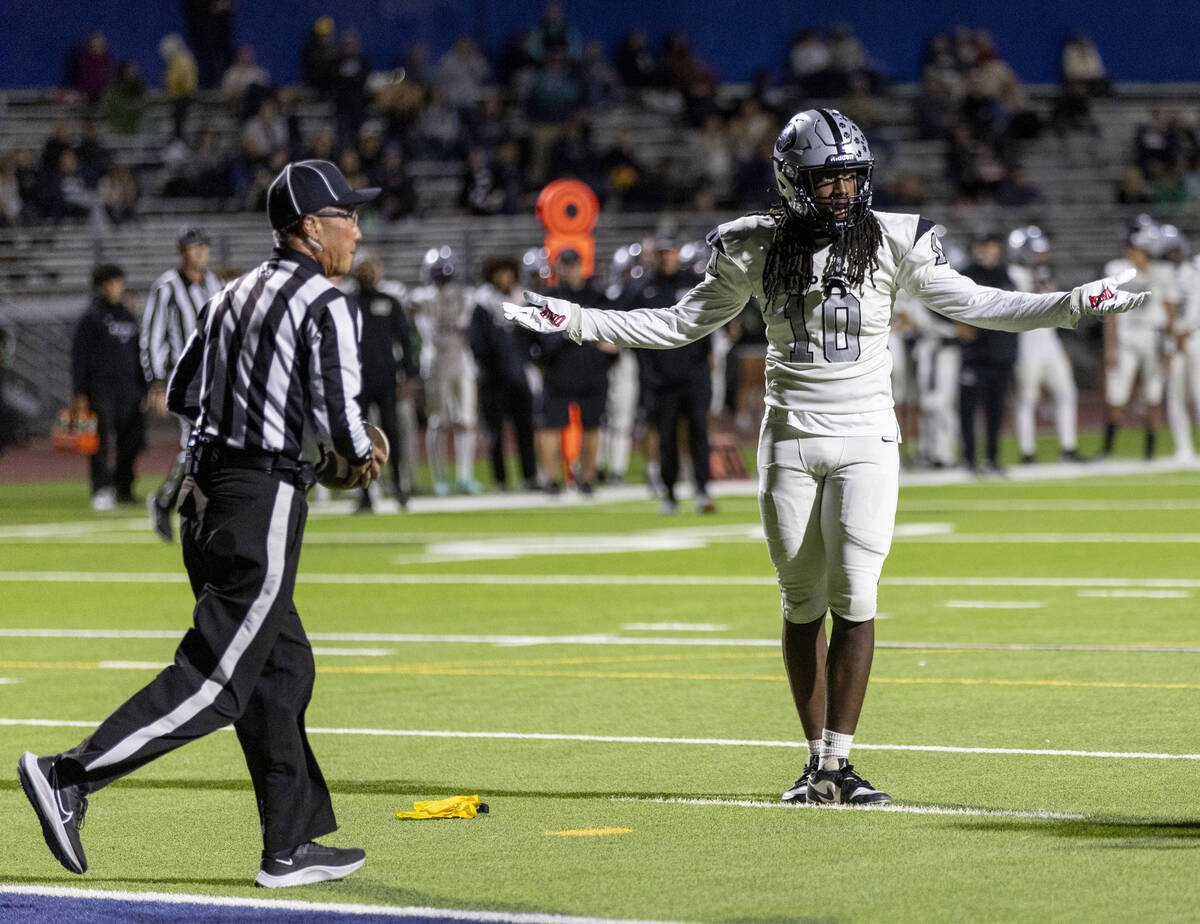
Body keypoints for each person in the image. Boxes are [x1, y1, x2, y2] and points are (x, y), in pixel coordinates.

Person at [503, 108, 1148, 805]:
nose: (842, 192)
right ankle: (814, 763)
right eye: (827, 180)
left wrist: (1072, 304)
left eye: (851, 178)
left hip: (867, 434)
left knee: (857, 594)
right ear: (791, 179)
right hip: (789, 435)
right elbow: (679, 323)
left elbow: (978, 303)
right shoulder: (752, 245)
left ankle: (841, 761)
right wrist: (575, 319)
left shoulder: (898, 238)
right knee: (801, 599)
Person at [18, 158, 384, 887]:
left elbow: (181, 390)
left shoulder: (229, 293)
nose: (358, 228)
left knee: (282, 668)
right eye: (346, 216)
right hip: (262, 497)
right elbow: (343, 423)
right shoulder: (325, 302)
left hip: (206, 498)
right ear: (311, 229)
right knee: (218, 678)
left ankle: (290, 844)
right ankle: (71, 775)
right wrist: (358, 454)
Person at [141, 226, 223, 541]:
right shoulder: (167, 287)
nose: (202, 252)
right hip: (183, 379)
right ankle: (174, 504)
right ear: (182, 251)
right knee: (197, 442)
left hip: (213, 378)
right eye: (195, 247)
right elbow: (152, 334)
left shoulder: (214, 283)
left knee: (207, 445)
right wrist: (157, 383)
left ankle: (171, 502)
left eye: (205, 246)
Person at [624, 235, 716, 513]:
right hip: (662, 379)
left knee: (699, 432)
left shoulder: (694, 285)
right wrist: (648, 371)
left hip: (694, 375)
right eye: (662, 253)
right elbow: (635, 334)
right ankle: (670, 493)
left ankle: (702, 489)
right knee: (666, 437)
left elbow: (708, 327)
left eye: (670, 252)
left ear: (677, 253)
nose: (666, 257)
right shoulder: (645, 288)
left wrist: (705, 366)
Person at [529, 248, 615, 495]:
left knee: (591, 425)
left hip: (591, 369)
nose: (570, 269)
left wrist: (602, 355)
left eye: (573, 264)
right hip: (558, 369)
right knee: (549, 425)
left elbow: (611, 333)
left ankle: (587, 479)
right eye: (565, 265)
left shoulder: (596, 295)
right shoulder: (550, 297)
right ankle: (553, 479)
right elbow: (537, 335)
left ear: (581, 265)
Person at [70, 264, 145, 510]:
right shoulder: (90, 317)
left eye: (118, 282)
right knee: (100, 443)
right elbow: (79, 357)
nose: (116, 288)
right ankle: (101, 488)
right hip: (100, 389)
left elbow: (137, 353)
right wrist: (79, 392)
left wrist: (143, 387)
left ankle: (123, 486)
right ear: (100, 286)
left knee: (132, 439)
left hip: (129, 389)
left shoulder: (127, 314)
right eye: (111, 283)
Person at [1100, 225, 1178, 460]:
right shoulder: (1117, 270)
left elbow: (1171, 312)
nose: (1130, 252)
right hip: (1126, 340)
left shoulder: (1163, 273)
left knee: (1153, 397)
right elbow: (1110, 313)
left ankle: (1150, 451)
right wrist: (1110, 347)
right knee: (1116, 395)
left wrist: (1170, 349)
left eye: (1136, 248)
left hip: (1154, 340)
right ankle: (1107, 450)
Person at [1007, 227, 1082, 464]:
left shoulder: (1044, 272)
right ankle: (1027, 452)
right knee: (1027, 398)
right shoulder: (1012, 274)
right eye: (1036, 252)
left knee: (1067, 392)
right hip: (1026, 340)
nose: (1041, 256)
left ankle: (1068, 448)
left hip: (1049, 339)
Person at [351, 250, 419, 510]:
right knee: (359, 438)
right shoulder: (346, 302)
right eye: (362, 268)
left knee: (391, 433)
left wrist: (409, 373)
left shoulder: (389, 302)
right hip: (356, 381)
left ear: (379, 272)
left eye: (371, 268)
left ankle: (399, 486)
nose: (366, 273)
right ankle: (365, 494)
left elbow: (406, 339)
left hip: (386, 379)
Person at [409, 248, 481, 495]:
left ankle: (464, 476)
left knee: (467, 422)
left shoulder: (463, 296)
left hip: (461, 361)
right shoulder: (422, 298)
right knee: (438, 422)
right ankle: (440, 478)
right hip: (437, 363)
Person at [469, 254, 538, 491]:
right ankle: (500, 480)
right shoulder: (483, 304)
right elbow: (476, 342)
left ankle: (530, 476)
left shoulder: (522, 300)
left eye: (508, 272)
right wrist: (491, 363)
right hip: (494, 379)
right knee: (495, 432)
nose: (504, 278)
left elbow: (533, 337)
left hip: (519, 376)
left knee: (525, 430)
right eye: (500, 273)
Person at [956, 231, 1019, 474]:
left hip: (1001, 353)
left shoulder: (1005, 274)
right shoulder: (966, 274)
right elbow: (936, 303)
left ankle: (993, 458)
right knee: (969, 409)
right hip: (975, 354)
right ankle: (969, 459)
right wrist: (955, 324)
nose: (985, 251)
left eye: (990, 246)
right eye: (982, 246)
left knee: (996, 410)